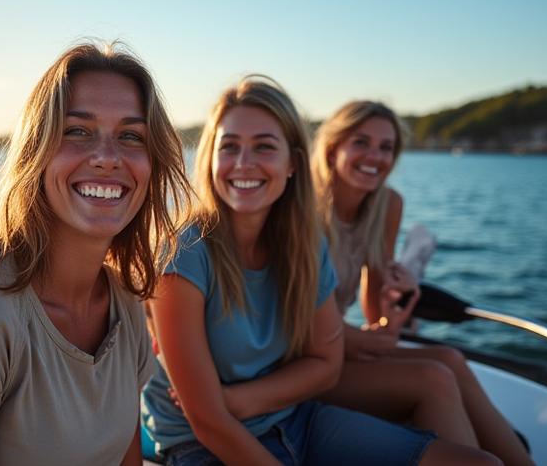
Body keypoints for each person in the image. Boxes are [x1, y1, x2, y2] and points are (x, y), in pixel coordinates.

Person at [141, 77, 499, 465]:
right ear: (210, 158)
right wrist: (230, 405)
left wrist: (241, 400)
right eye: (229, 147)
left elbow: (325, 366)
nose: (244, 163)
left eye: (264, 146)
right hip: (204, 444)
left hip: (294, 418)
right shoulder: (184, 253)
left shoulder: (305, 242)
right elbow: (209, 421)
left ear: (292, 163)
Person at [0, 42, 192, 466]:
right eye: (77, 131)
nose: (106, 158)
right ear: (35, 153)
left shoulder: (126, 302)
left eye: (130, 136)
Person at [312, 100, 532, 466]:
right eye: (361, 142)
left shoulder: (387, 204)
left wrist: (396, 298)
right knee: (433, 377)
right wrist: (366, 338)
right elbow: (290, 319)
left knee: (450, 357)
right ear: (333, 147)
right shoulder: (304, 209)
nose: (375, 156)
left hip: (341, 345)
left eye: (386, 147)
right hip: (306, 357)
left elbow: (375, 298)